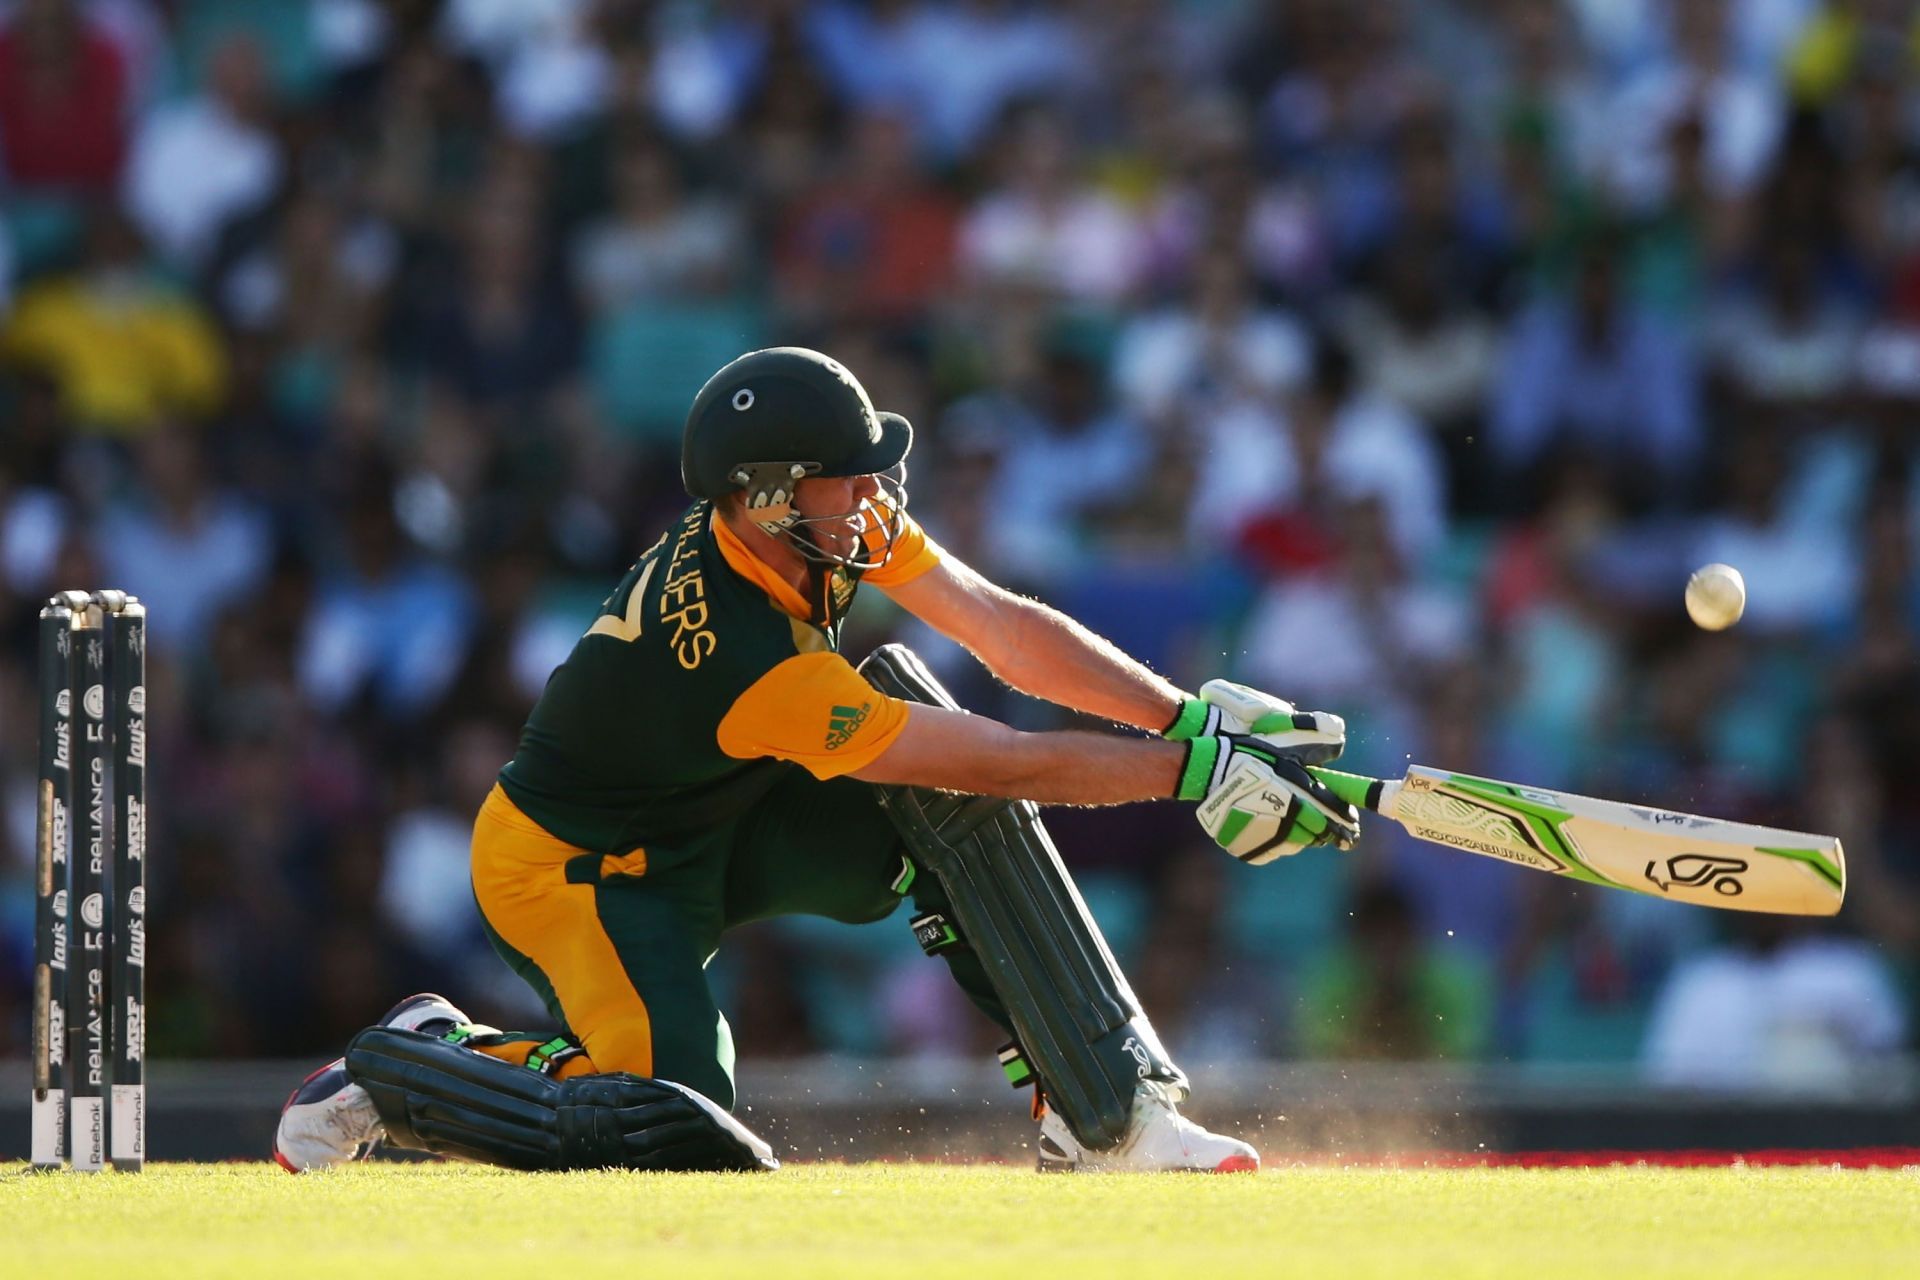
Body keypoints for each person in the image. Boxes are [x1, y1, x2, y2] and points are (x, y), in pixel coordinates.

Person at [274, 347, 1359, 1175]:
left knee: (934, 791)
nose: (873, 493)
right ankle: (412, 1062)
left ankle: (1106, 1111)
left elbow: (1000, 628)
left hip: (719, 813)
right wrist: (1189, 778)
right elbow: (997, 758)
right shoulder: (753, 659)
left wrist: (1188, 721)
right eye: (847, 477)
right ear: (767, 495)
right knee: (674, 1113)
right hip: (577, 872)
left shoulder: (810, 522)